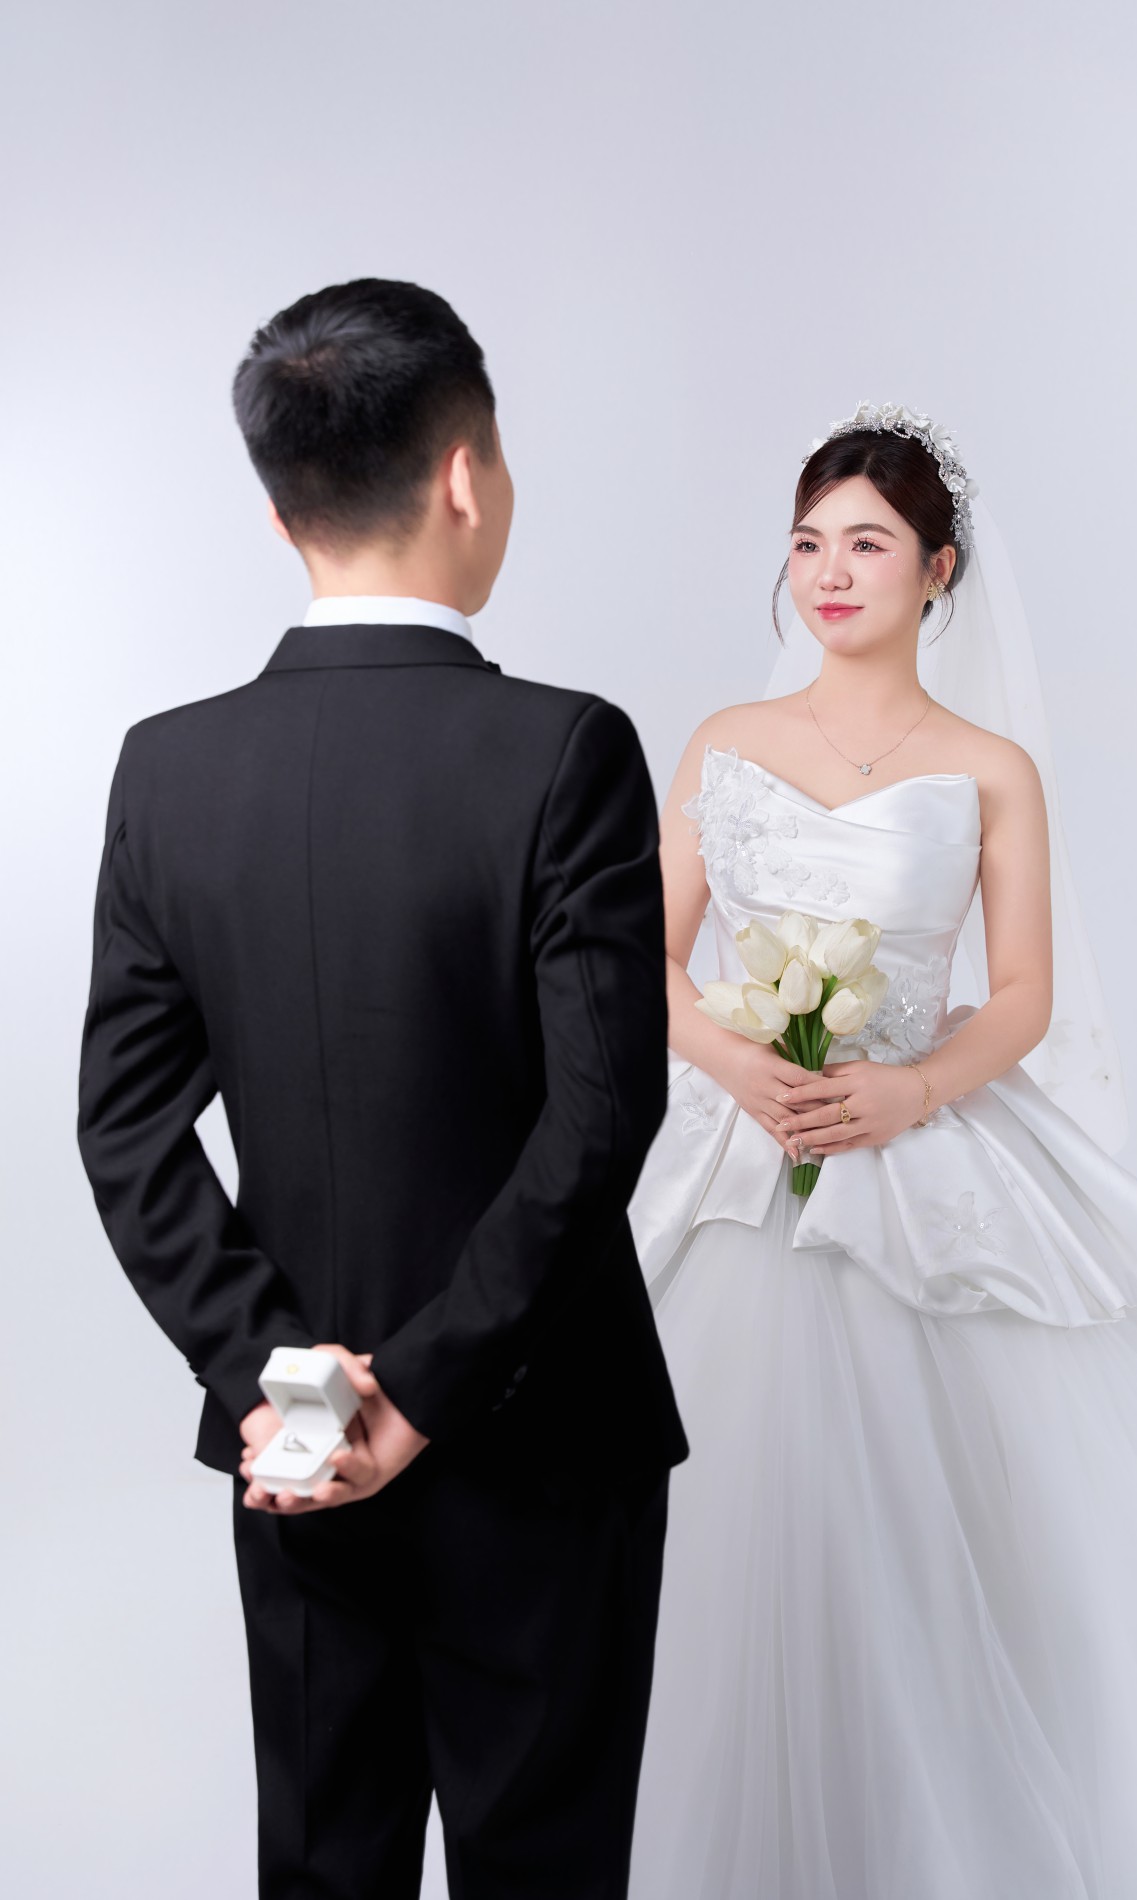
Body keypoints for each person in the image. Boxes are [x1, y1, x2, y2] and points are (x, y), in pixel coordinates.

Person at [76, 276, 688, 1900]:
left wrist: (290, 1384)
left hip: (293, 1443)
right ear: (467, 477)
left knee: (324, 1868)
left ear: (280, 511)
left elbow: (126, 1129)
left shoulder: (167, 768)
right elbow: (603, 1114)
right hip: (542, 1436)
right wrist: (414, 1390)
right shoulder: (566, 748)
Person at [624, 402, 1137, 1898]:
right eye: (808, 545)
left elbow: (1025, 993)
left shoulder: (990, 768)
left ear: (939, 569)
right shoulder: (725, 744)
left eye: (868, 544)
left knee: (967, 1558)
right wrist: (742, 1065)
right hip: (739, 1153)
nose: (830, 574)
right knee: (714, 1538)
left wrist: (910, 1093)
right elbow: (641, 959)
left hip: (919, 1145)